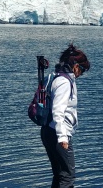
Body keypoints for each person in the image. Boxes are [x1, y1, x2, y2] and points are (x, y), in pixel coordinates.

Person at [41, 44, 90, 188]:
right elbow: (58, 111)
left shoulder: (56, 77)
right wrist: (63, 137)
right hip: (58, 134)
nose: (81, 73)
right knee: (67, 176)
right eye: (82, 69)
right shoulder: (64, 82)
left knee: (60, 175)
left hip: (48, 131)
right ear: (75, 65)